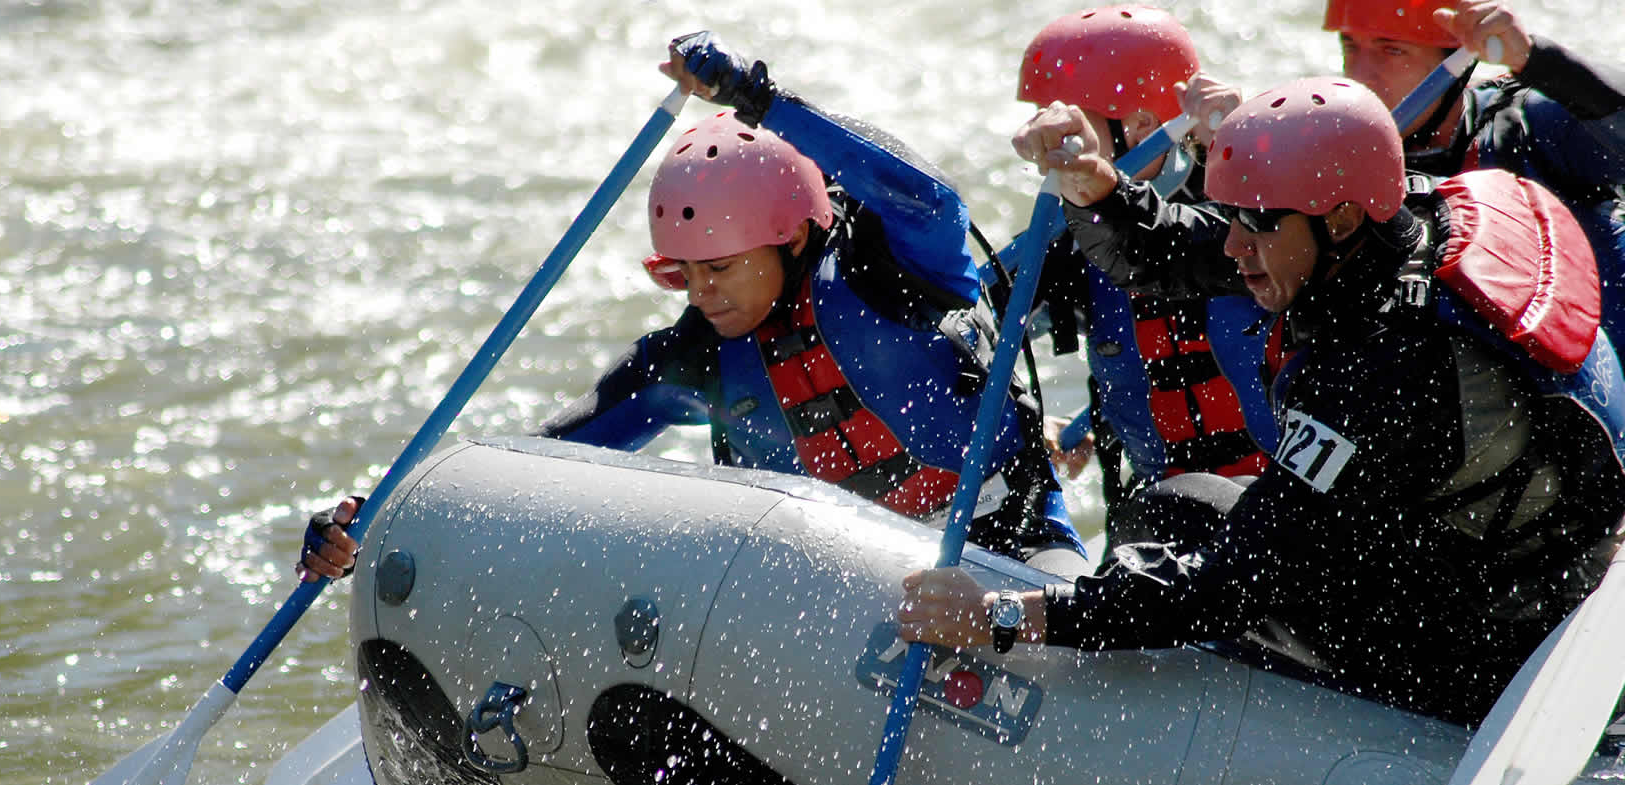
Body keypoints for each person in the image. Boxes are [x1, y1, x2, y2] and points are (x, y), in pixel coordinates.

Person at [900, 76, 1625, 725]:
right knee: (1173, 502)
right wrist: (1099, 188)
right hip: (1535, 572)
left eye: (1258, 223)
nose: (1238, 246)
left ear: (1337, 220)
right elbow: (1194, 251)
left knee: (1174, 522)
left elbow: (1224, 585)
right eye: (1236, 217)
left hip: (1491, 651)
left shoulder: (1379, 373)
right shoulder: (1423, 212)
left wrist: (1005, 617)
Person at [299, 32, 1092, 585]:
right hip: (850, 592)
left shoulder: (902, 267)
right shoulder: (695, 358)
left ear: (789, 240)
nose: (701, 294)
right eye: (681, 275)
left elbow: (919, 185)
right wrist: (383, 517)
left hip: (1009, 550)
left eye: (718, 268)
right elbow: (532, 462)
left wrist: (758, 97)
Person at [1013, 5, 1279, 549]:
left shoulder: (1262, 214)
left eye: (1071, 126)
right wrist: (1027, 420)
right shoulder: (1075, 240)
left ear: (1137, 126)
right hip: (1162, 532)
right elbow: (968, 312)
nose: (1052, 146)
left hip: (1281, 518)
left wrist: (1253, 149)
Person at [1328, 0, 1625, 343]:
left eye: (1392, 51)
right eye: (1350, 46)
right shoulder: (1335, 169)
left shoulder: (1530, 127)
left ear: (1455, 61)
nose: (1360, 76)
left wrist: (1536, 59)